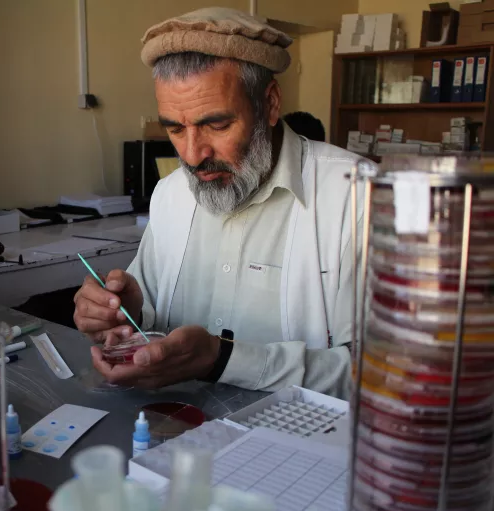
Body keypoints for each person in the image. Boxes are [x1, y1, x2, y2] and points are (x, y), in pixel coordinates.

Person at [73, 7, 365, 400]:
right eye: (175, 129)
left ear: (271, 104)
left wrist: (221, 359)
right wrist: (126, 313)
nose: (193, 156)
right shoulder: (171, 195)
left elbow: (389, 376)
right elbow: (145, 316)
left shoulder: (359, 198)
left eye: (217, 125)